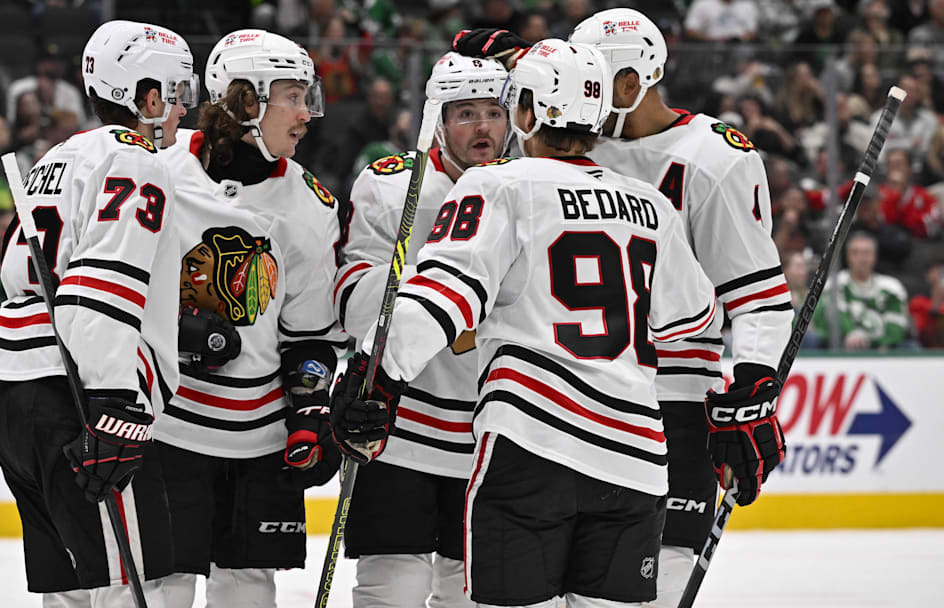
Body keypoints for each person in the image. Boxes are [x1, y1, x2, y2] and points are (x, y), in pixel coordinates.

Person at [331, 39, 738, 608]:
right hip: (635, 460)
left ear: (524, 113)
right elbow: (692, 318)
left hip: (531, 448)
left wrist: (372, 375)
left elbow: (438, 299)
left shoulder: (497, 186)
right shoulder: (650, 204)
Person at [449, 10, 794, 605]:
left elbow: (757, 292)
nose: (578, 95)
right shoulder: (576, 140)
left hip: (674, 406)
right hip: (561, 398)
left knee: (652, 587)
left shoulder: (715, 160)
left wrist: (754, 382)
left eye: (596, 81)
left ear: (631, 86)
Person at [0, 20, 198, 607]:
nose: (182, 109)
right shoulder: (139, 161)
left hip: (18, 387)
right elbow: (100, 284)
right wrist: (113, 403)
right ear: (147, 97)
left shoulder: (60, 157)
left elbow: (21, 276)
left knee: (70, 589)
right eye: (176, 92)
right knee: (127, 585)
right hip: (81, 390)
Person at [152, 29, 344, 607]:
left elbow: (310, 335)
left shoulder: (311, 206)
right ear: (245, 100)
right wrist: (167, 325)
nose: (308, 113)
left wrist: (311, 407)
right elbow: (115, 284)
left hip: (259, 439)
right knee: (162, 586)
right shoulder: (157, 173)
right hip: (168, 427)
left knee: (250, 590)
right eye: (293, 95)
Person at [334, 51, 508, 607]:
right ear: (437, 119)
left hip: (490, 430)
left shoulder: (527, 188)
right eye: (465, 114)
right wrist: (427, 295)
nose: (483, 127)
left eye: (493, 112)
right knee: (392, 586)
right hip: (400, 420)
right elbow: (351, 296)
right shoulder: (390, 186)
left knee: (468, 589)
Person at [812, 232, 911, 350]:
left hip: (884, 350)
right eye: (856, 253)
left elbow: (897, 324)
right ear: (848, 256)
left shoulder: (891, 288)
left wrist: (883, 344)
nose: (861, 258)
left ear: (874, 256)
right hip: (841, 348)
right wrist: (850, 335)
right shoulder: (835, 285)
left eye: (866, 253)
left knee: (911, 348)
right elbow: (828, 319)